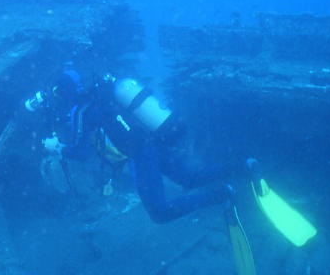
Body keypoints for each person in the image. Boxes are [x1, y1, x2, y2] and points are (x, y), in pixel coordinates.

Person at [24, 65, 262, 224]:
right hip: (153, 141)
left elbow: (81, 152)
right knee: (189, 178)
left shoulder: (81, 111)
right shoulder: (104, 96)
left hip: (140, 153)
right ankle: (245, 166)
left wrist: (56, 146)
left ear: (63, 94)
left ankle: (224, 194)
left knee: (160, 212)